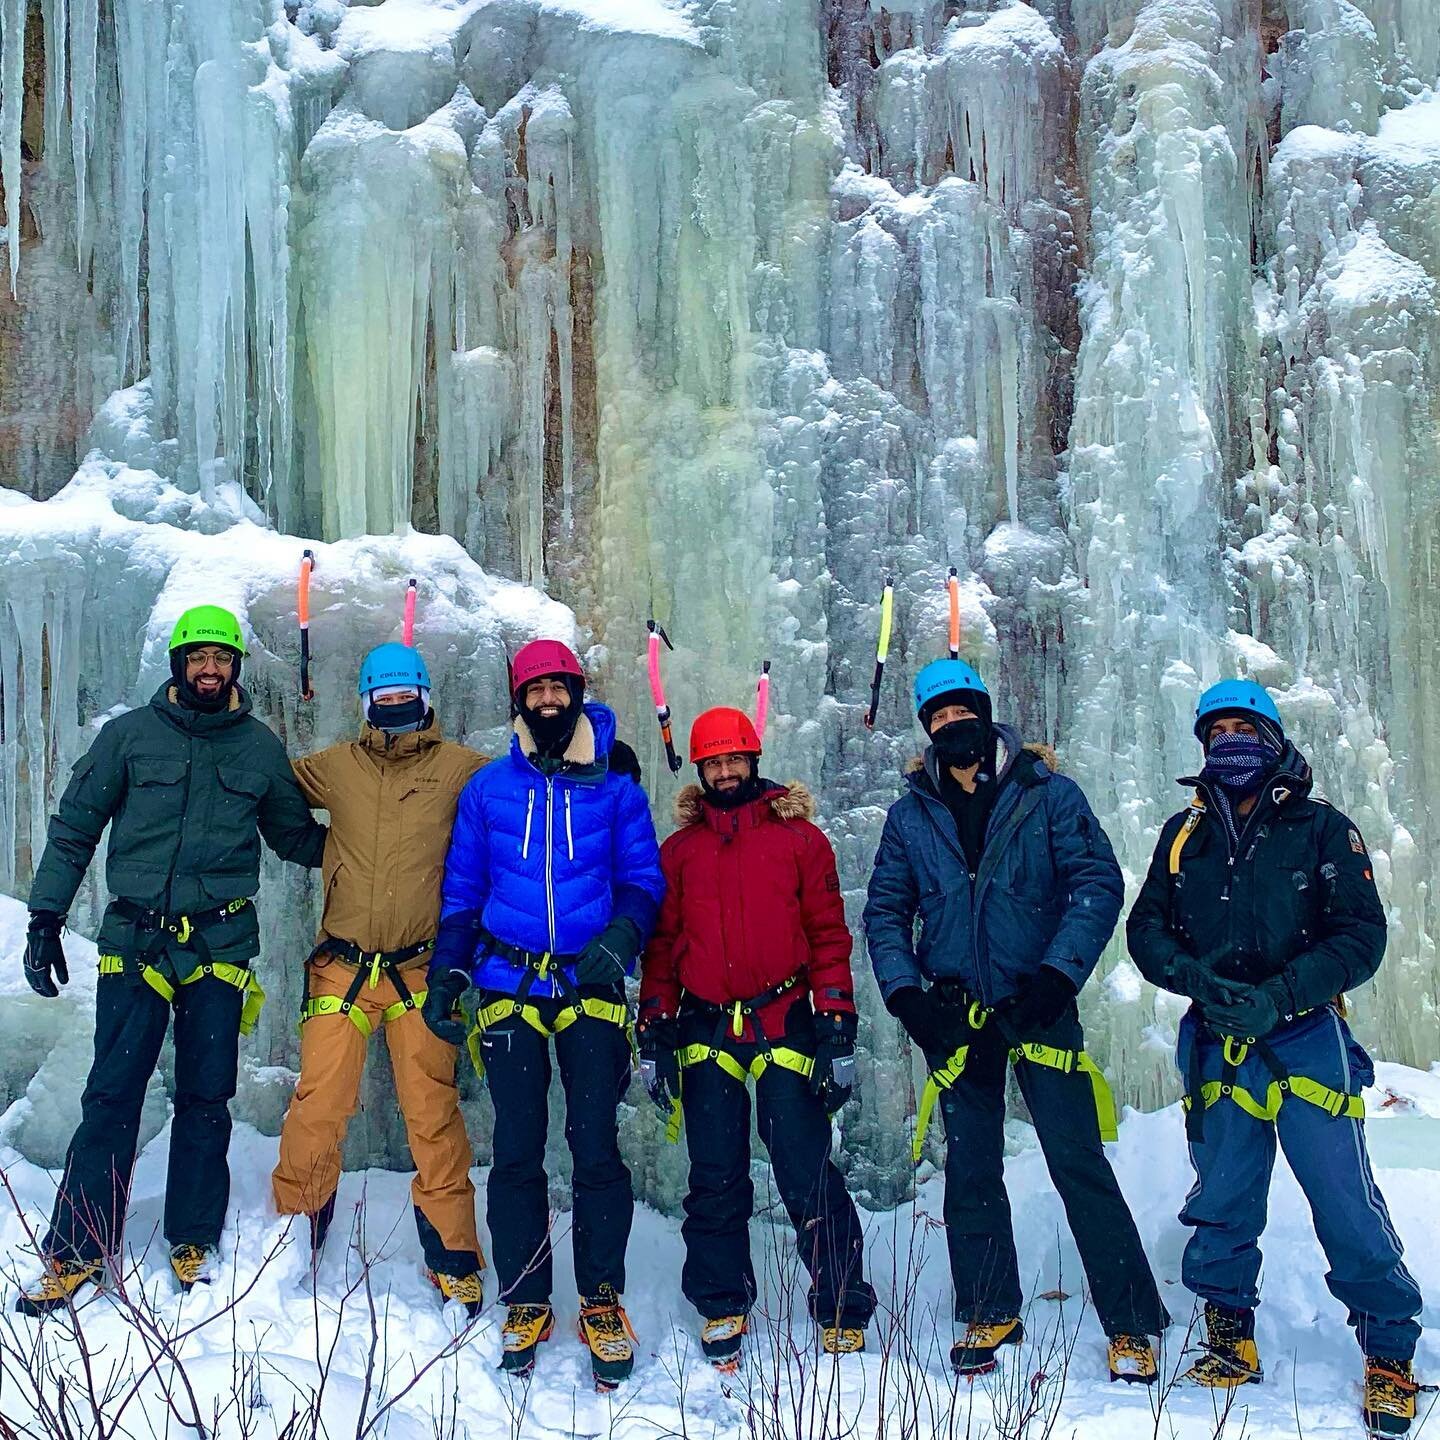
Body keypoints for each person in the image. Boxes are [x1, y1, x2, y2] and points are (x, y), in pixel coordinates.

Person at [1127, 679, 1425, 1435]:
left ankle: (1389, 1347)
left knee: (1343, 1196)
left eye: (1242, 726)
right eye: (1215, 729)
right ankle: (1229, 1330)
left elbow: (1360, 937)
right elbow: (1148, 929)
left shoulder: (1322, 829)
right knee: (1222, 1193)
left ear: (1272, 737)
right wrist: (1195, 978)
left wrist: (1283, 994)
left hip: (1302, 1034)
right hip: (1218, 1032)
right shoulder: (1183, 833)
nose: (1229, 740)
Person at [863, 659, 1169, 1382]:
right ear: (928, 730)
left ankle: (1130, 1321)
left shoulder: (1046, 795)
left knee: (1077, 1162)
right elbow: (884, 912)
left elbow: (1095, 883)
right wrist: (909, 999)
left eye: (959, 712)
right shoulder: (913, 814)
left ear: (984, 712)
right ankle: (989, 1307)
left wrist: (1056, 979)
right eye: (936, 719)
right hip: (957, 1018)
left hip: (1038, 1007)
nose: (950, 725)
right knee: (970, 1169)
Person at [16, 606, 327, 1312]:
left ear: (235, 668)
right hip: (136, 942)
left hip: (219, 945)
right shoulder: (128, 737)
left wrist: (379, 849)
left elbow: (294, 839)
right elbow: (74, 829)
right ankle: (78, 1248)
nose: (209, 669)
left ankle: (193, 1238)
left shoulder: (258, 750)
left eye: (221, 659)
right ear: (179, 666)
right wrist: (45, 917)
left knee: (206, 1098)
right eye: (198, 658)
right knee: (111, 1098)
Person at [424, 638, 664, 1388]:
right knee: (519, 1149)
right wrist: (446, 974)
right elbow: (463, 890)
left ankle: (600, 1298)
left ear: (577, 693)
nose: (549, 700)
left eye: (561, 688)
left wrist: (623, 936)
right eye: (537, 690)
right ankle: (526, 1296)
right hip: (507, 985)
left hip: (590, 986)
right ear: (519, 700)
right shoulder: (490, 791)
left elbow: (644, 879)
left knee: (595, 1147)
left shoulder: (615, 787)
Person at [637, 707, 876, 1370]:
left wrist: (835, 1022)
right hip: (707, 1023)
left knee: (803, 1166)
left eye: (734, 759)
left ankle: (840, 1301)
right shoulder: (680, 852)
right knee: (715, 1174)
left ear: (753, 758)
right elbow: (661, 946)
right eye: (713, 763)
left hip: (785, 1018)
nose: (725, 771)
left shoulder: (800, 840)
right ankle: (721, 1302)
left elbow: (828, 933)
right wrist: (654, 1027)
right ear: (701, 769)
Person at [270, 644, 487, 1313]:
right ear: (367, 705)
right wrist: (322, 850)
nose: (395, 712)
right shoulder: (336, 767)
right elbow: (268, 788)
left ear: (424, 700)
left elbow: (521, 798)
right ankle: (291, 1229)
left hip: (419, 969)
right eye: (384, 702)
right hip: (341, 966)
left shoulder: (461, 771)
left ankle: (453, 1251)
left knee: (433, 1113)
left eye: (406, 700)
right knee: (319, 1101)